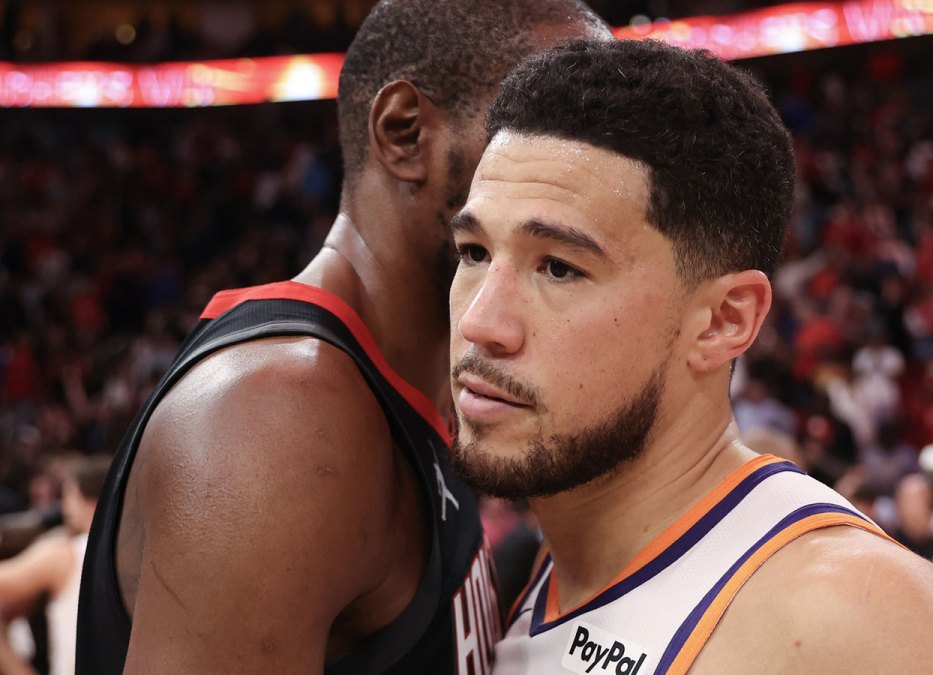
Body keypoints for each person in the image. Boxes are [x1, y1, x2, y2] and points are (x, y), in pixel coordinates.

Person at [446, 38, 933, 674]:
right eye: (474, 253)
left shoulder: (883, 633)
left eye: (559, 268)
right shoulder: (531, 571)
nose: (481, 322)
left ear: (725, 320)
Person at [76, 3, 609, 673]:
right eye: (554, 127)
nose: (595, 174)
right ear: (405, 133)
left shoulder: (413, 393)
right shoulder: (284, 417)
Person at [0, 455, 109, 675]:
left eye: (69, 496)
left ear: (89, 502)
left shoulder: (67, 552)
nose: (65, 508)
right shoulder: (142, 553)